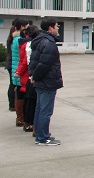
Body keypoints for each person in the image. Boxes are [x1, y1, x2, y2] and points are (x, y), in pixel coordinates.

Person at [30, 18, 63, 146]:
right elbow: (44, 64)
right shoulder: (48, 43)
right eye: (56, 26)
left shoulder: (39, 40)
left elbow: (33, 61)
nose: (57, 28)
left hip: (41, 81)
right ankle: (43, 138)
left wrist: (33, 75)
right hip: (47, 82)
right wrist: (36, 76)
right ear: (50, 28)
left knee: (40, 109)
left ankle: (40, 135)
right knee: (45, 110)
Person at [15, 25, 38, 132]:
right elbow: (24, 61)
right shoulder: (28, 45)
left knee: (27, 100)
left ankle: (26, 121)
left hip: (25, 75)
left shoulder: (24, 44)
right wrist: (19, 72)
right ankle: (28, 123)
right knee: (30, 101)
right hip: (28, 76)